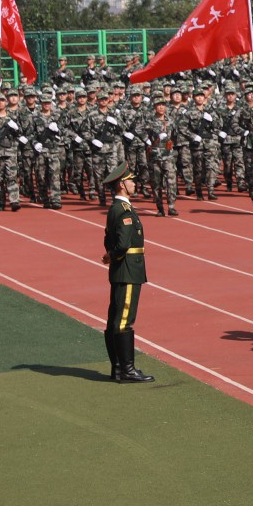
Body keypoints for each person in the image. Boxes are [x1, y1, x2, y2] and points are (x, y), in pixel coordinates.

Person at [101, 162, 156, 383]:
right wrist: (113, 255)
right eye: (131, 180)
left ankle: (117, 368)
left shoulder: (117, 208)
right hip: (128, 270)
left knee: (115, 319)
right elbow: (123, 244)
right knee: (124, 320)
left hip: (121, 269)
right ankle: (127, 370)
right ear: (122, 185)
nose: (134, 183)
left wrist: (109, 255)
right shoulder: (123, 210)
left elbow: (108, 239)